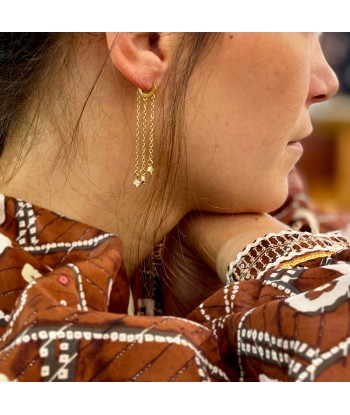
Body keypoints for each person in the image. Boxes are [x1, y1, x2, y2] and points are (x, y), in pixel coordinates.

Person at [0, 32, 350, 382]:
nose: (326, 83)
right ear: (147, 41)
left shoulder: (291, 219)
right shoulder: (34, 346)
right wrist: (267, 253)